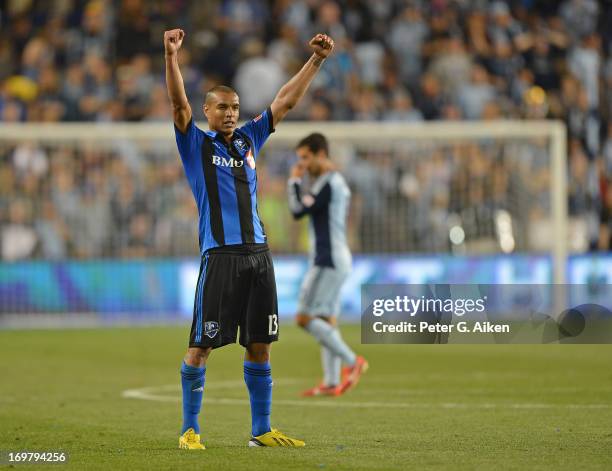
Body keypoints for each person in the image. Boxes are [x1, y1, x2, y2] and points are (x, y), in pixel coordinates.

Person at [164, 28, 334, 449]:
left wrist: (316, 61)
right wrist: (171, 57)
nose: (231, 113)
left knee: (261, 346)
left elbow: (285, 102)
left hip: (259, 256)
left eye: (235, 107)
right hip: (220, 256)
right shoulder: (195, 143)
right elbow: (177, 103)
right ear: (207, 111)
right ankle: (190, 430)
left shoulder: (248, 139)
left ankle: (261, 430)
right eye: (223, 107)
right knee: (201, 346)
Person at [288, 133, 368, 397]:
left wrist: (293, 182)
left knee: (303, 317)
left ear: (321, 154)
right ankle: (332, 381)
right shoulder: (332, 181)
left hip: (327, 259)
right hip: (337, 256)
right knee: (326, 319)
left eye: (305, 158)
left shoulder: (328, 182)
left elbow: (298, 211)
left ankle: (351, 361)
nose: (302, 164)